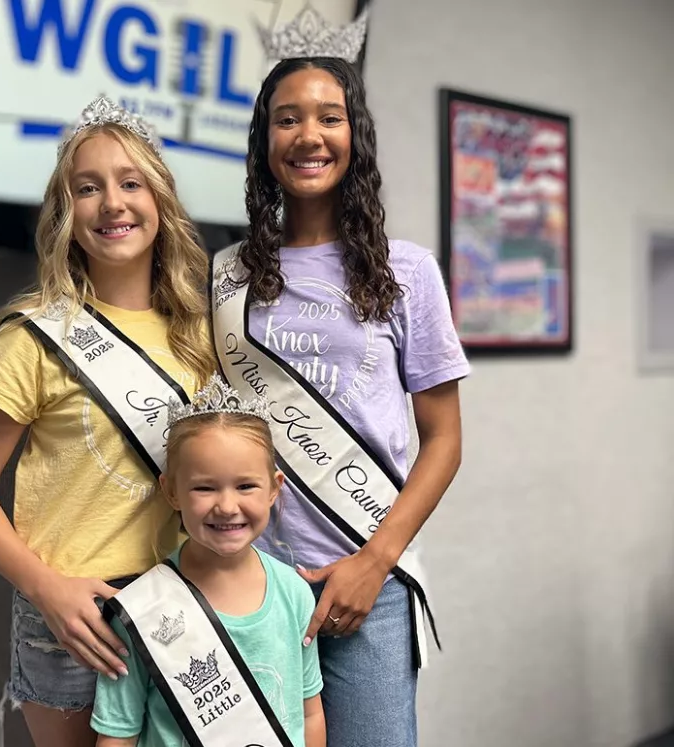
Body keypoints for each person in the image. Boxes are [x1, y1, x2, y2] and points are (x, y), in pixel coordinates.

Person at [209, 14, 470, 746]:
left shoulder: (406, 271)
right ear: (265, 143)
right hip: (249, 581)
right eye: (287, 119)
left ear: (356, 136)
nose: (308, 135)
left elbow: (444, 440)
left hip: (367, 582)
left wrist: (373, 562)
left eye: (329, 116)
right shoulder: (223, 274)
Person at [0, 95, 214, 747]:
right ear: (66, 214)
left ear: (161, 201)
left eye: (130, 182)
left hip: (183, 605)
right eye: (87, 188)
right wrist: (47, 588)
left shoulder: (203, 336)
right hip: (74, 616)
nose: (112, 203)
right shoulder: (35, 337)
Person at [91, 375, 325, 747]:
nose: (227, 506)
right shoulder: (143, 606)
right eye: (204, 487)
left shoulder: (294, 593)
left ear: (274, 488)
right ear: (171, 491)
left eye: (245, 486)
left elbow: (309, 711)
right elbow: (119, 732)